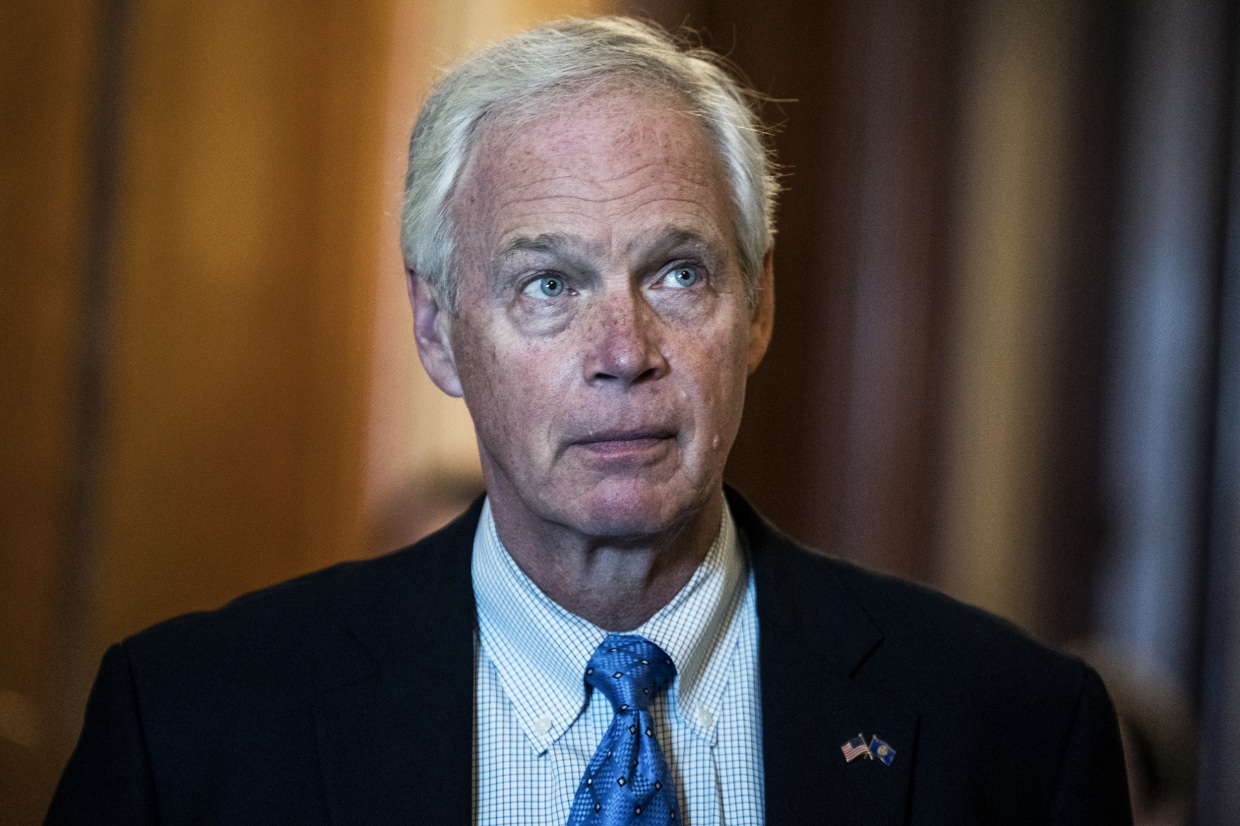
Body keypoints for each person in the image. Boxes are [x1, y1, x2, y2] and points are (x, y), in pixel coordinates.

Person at [47, 16, 1132, 825]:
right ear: (437, 328)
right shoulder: (190, 728)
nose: (623, 351)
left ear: (757, 306)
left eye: (677, 273)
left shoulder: (1016, 732)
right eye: (549, 285)